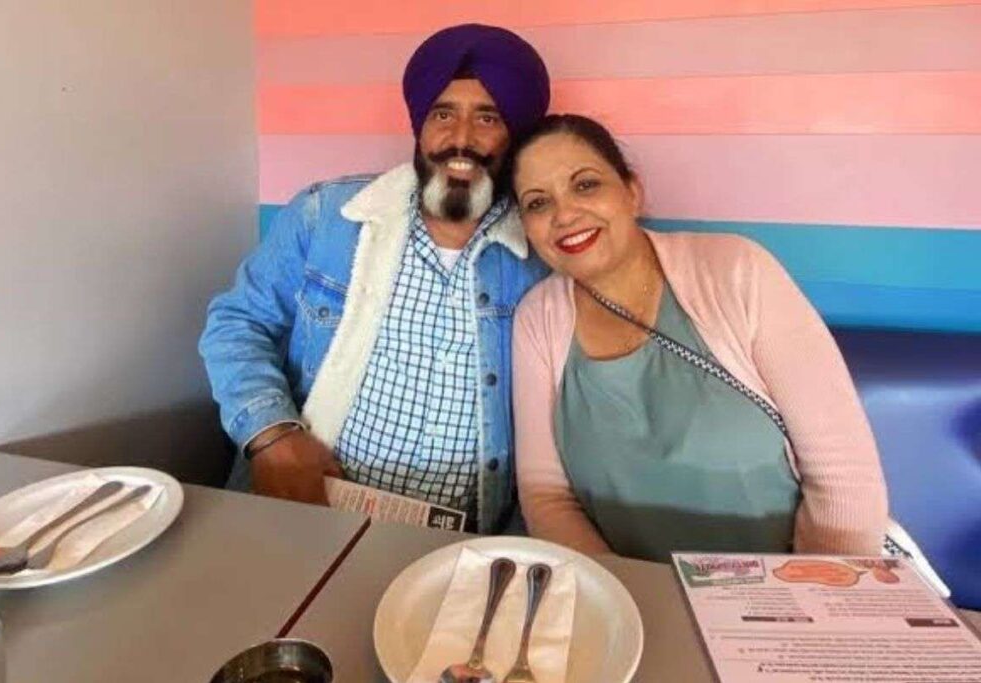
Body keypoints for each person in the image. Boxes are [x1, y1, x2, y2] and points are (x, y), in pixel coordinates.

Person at [199, 24, 551, 533]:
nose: (461, 138)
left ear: (514, 135)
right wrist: (273, 435)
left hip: (459, 543)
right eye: (443, 114)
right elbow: (237, 322)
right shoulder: (326, 215)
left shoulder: (541, 258)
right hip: (306, 507)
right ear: (419, 125)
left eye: (488, 117)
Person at [510, 114, 888, 560]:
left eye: (586, 185)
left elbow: (843, 475)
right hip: (625, 593)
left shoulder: (736, 272)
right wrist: (620, 591)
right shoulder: (537, 319)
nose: (564, 215)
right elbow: (546, 494)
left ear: (632, 191)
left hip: (787, 588)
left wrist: (815, 594)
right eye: (538, 203)